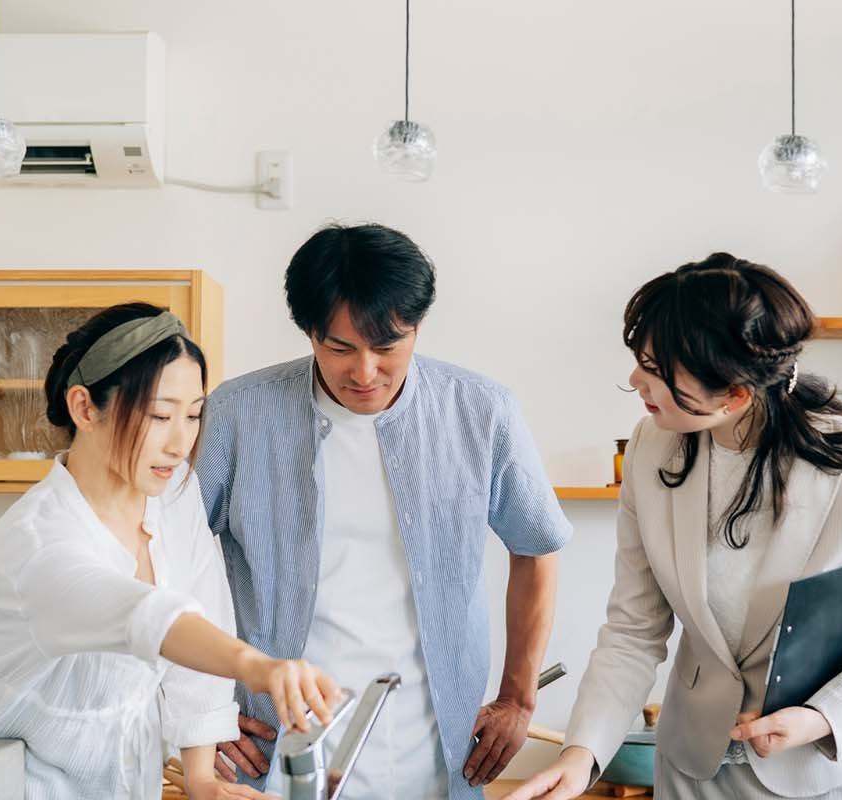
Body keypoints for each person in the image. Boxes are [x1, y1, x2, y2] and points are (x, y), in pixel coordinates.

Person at [508, 253, 842, 800]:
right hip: (692, 772)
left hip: (824, 774)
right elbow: (633, 630)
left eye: (656, 368)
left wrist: (822, 715)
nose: (635, 380)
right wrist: (582, 754)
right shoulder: (650, 449)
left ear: (736, 394)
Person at [197, 223, 572, 799]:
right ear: (309, 332)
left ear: (417, 327)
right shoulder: (239, 413)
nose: (365, 372)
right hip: (278, 751)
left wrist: (518, 698)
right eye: (340, 348)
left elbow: (537, 546)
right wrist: (199, 716)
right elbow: (165, 561)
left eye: (388, 346)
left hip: (434, 749)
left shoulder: (481, 411)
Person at [0, 303, 338, 800]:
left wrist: (201, 778)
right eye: (159, 415)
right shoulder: (37, 539)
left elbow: (204, 616)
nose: (180, 442)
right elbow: (145, 617)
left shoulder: (174, 496)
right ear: (85, 408)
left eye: (193, 415)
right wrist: (259, 667)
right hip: (11, 785)